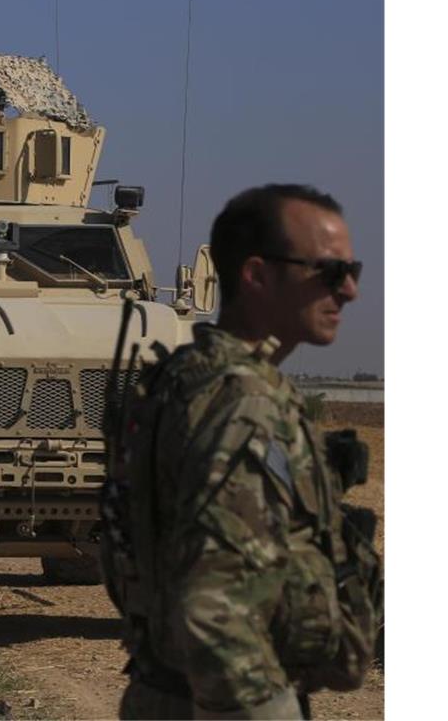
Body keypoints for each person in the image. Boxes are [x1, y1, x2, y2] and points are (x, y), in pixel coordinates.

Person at [101, 184, 382, 719]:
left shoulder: (188, 381)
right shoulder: (243, 403)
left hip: (172, 692)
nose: (349, 291)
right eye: (328, 272)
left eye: (353, 271)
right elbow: (215, 609)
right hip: (221, 701)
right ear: (255, 275)